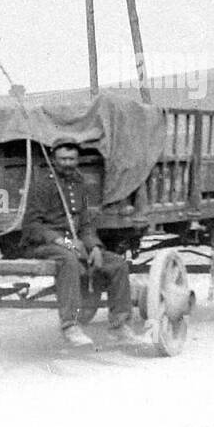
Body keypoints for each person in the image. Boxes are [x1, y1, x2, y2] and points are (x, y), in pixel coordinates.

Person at [21, 138, 143, 349]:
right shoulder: (42, 184)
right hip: (45, 244)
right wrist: (64, 242)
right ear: (53, 159)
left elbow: (85, 223)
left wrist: (94, 246)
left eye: (71, 159)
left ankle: (119, 326)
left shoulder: (79, 183)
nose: (67, 163)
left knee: (117, 264)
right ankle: (70, 325)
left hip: (74, 243)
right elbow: (32, 226)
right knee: (68, 260)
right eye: (62, 159)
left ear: (78, 160)